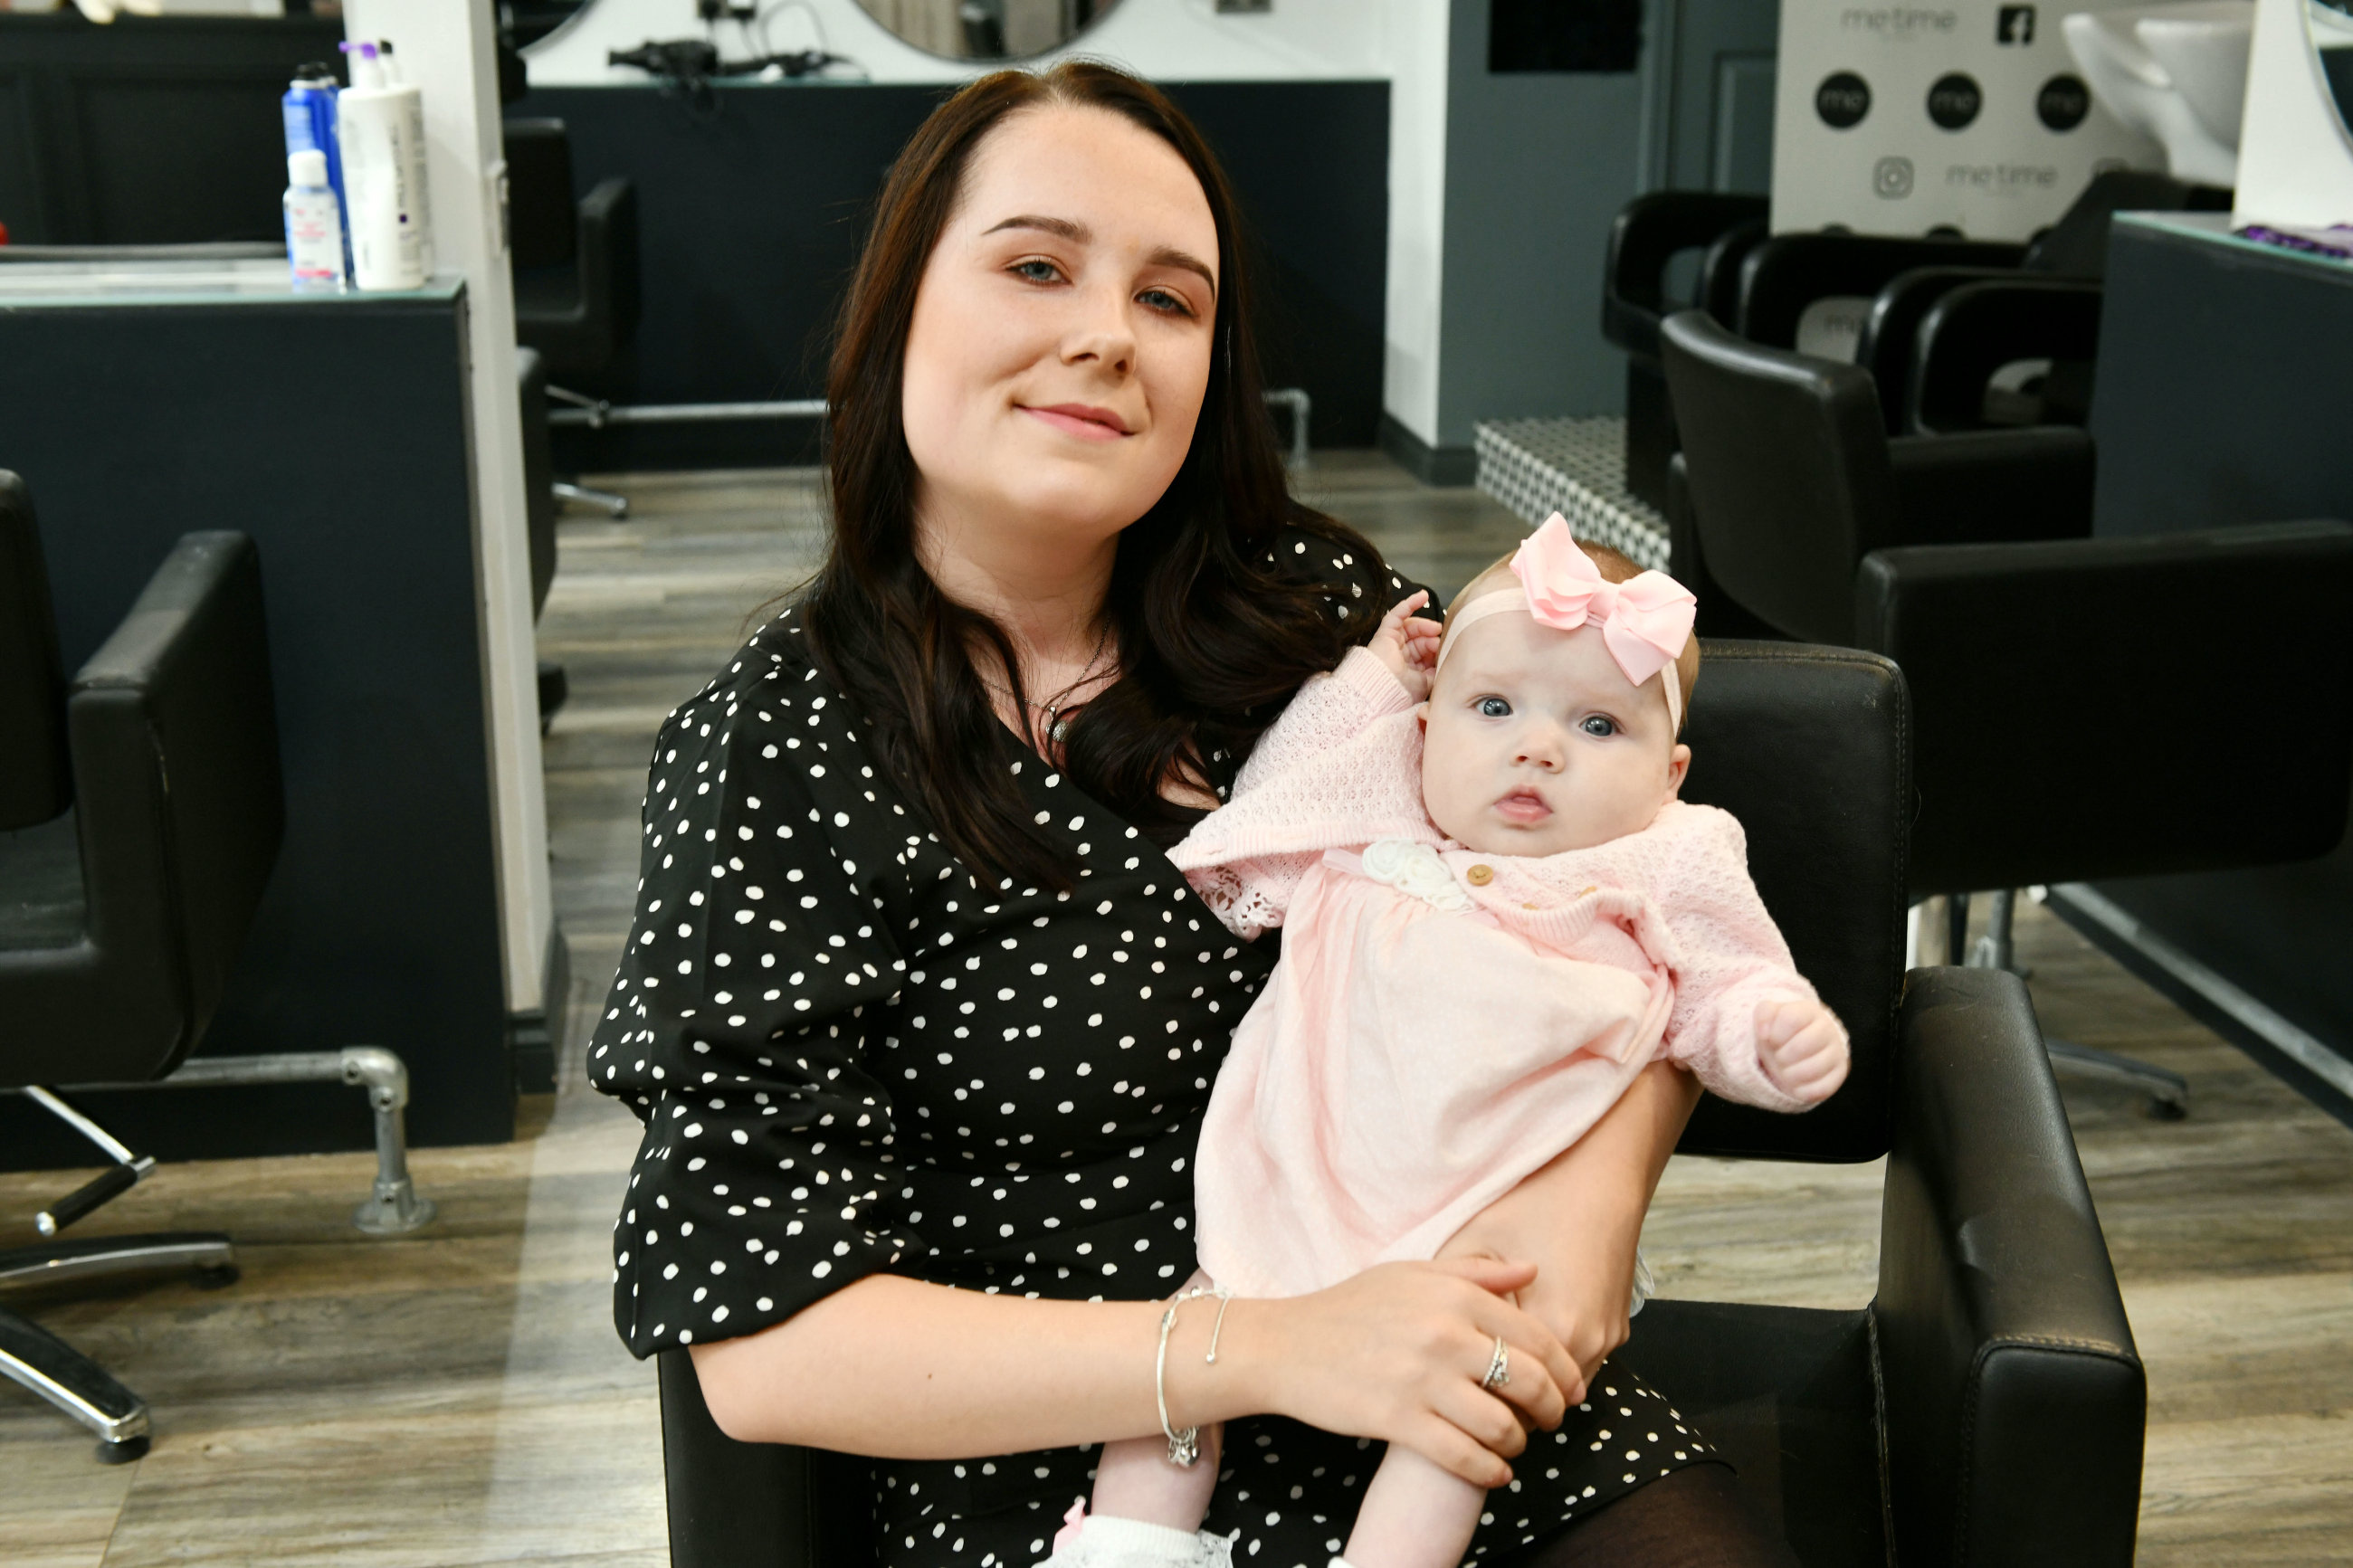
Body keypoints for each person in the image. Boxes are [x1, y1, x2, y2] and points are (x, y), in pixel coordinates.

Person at [591, 60, 1798, 1568]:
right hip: (1074, 1457)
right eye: (1037, 266)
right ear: (901, 306)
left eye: (1171, 301)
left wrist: (1596, 1196)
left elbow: (1629, 900)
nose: (1107, 334)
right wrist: (1270, 1346)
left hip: (1464, 1391)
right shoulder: (774, 757)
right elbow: (763, 1348)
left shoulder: (1321, 624)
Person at [1057, 519, 1849, 1568]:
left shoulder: (1658, 859)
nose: (1536, 745)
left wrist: (1768, 1030)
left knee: (1459, 1426)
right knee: (1183, 1361)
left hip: (1490, 1235)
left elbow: (1721, 981)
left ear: (1671, 776)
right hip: (1301, 1187)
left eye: (1599, 726)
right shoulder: (1377, 820)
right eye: (1491, 707)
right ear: (1423, 734)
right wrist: (1368, 680)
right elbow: (1278, 791)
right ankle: (1124, 1547)